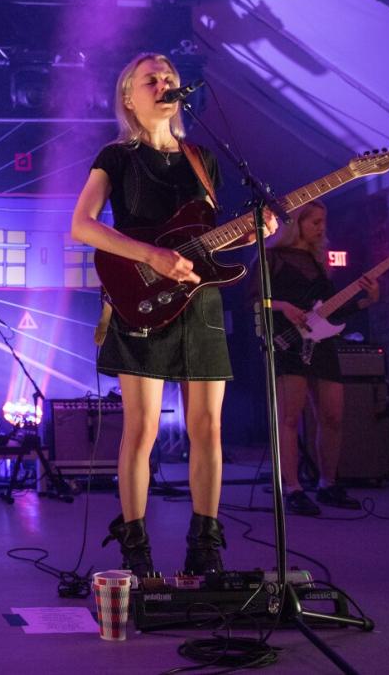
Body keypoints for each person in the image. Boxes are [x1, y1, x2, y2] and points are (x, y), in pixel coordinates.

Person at [71, 52, 275, 576]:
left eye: (170, 79)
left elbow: (206, 241)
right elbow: (83, 226)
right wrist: (150, 255)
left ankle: (204, 544)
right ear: (128, 95)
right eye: (151, 79)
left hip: (200, 302)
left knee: (208, 426)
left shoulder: (201, 158)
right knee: (140, 430)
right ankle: (135, 548)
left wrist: (253, 231)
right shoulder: (115, 156)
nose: (163, 83)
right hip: (140, 295)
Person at [257, 201, 378, 516]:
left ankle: (327, 483)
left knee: (333, 416)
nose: (322, 228)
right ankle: (293, 488)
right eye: (315, 222)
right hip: (289, 342)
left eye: (324, 222)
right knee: (289, 418)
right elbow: (253, 301)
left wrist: (366, 300)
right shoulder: (272, 257)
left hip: (323, 343)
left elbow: (331, 310)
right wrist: (283, 306)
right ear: (297, 223)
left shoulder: (319, 259)